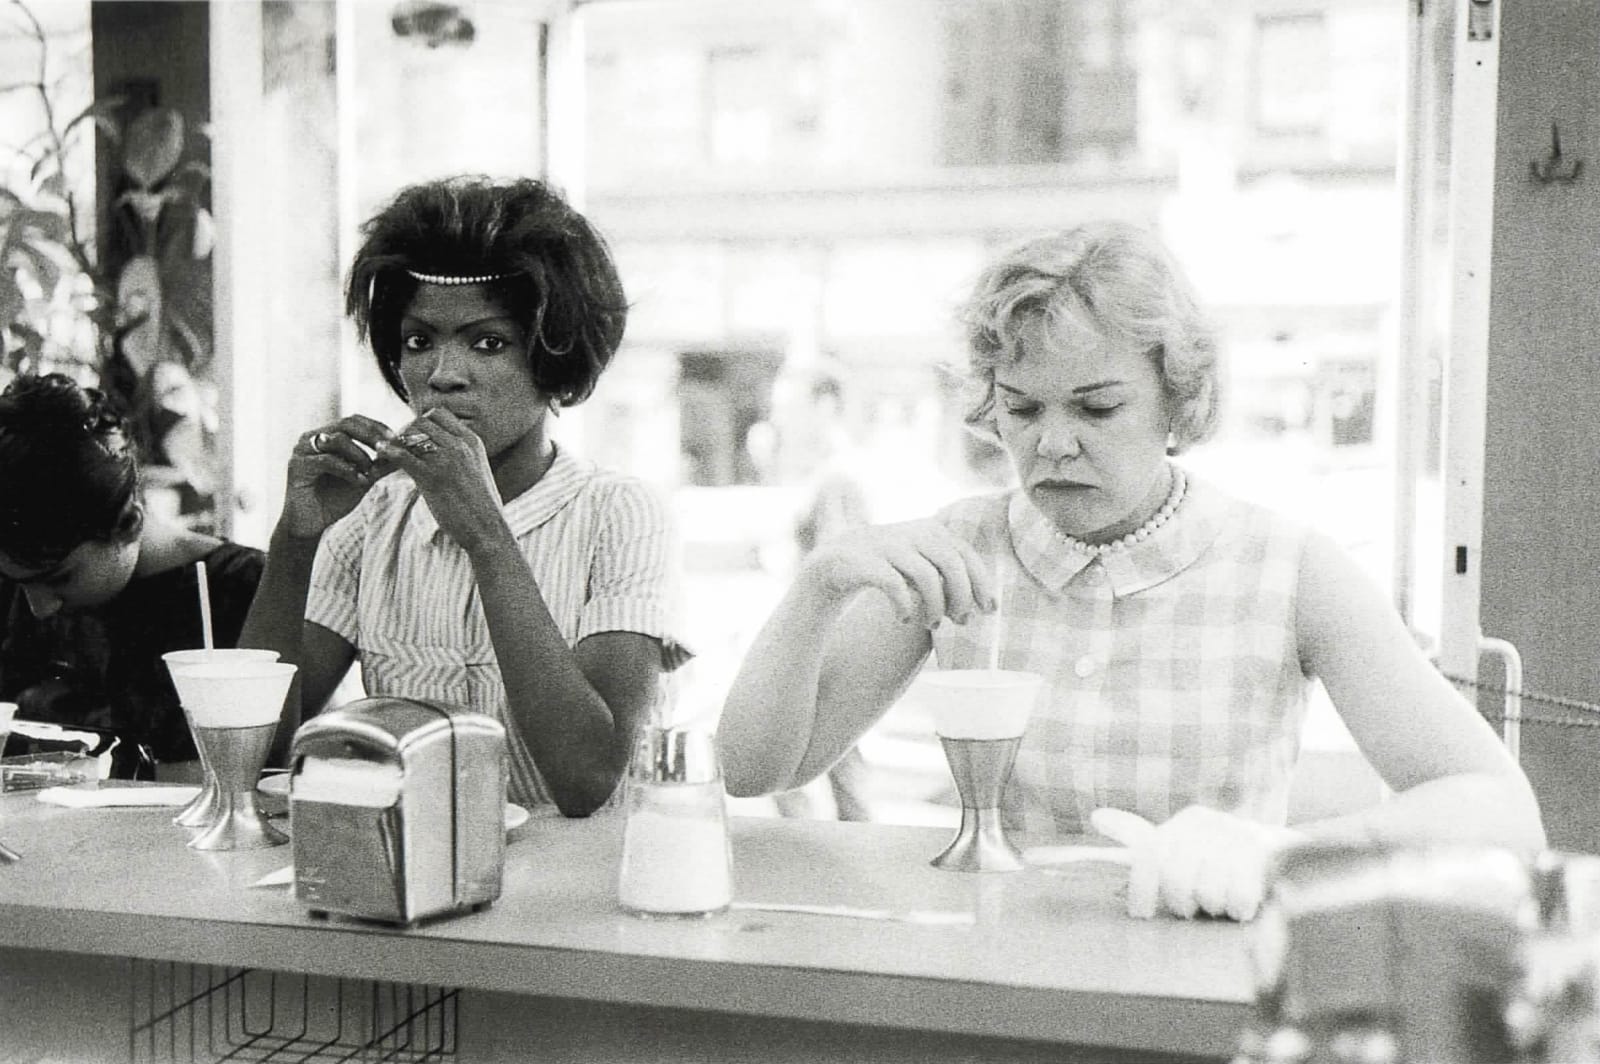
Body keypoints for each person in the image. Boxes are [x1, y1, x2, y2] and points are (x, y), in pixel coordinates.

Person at [717, 221, 1545, 921]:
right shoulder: (961, 552)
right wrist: (819, 588)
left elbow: (1500, 812)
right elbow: (758, 770)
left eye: (1097, 406)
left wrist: (1280, 852)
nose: (1053, 442)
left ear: (1177, 401)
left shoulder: (1287, 570)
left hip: (1205, 982)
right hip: (997, 979)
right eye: (1022, 407)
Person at [242, 175, 686, 817]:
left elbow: (587, 779)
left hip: (584, 892)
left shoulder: (620, 514)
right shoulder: (373, 516)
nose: (442, 375)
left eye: (489, 343)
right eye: (418, 341)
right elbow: (258, 753)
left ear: (554, 357)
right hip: (410, 879)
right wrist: (295, 543)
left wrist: (486, 536)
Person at [0, 373, 264, 778]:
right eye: (21, 583)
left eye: (59, 579)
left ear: (129, 521)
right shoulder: (23, 576)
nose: (38, 608)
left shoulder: (246, 589)